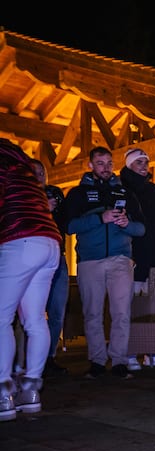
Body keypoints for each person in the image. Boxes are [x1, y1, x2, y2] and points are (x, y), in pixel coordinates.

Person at [66, 146, 145, 380]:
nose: (106, 167)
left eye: (109, 163)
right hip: (90, 261)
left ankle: (119, 361)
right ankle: (98, 362)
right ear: (90, 165)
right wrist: (99, 218)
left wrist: (125, 224)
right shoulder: (78, 194)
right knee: (92, 313)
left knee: (121, 312)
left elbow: (141, 229)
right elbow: (69, 227)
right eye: (100, 163)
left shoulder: (125, 192)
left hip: (120, 259)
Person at [0, 138, 62, 421]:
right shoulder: (23, 165)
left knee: (1, 318)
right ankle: (31, 390)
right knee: (36, 319)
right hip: (49, 242)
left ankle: (3, 393)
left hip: (20, 239)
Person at [120, 147, 155, 370]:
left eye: (146, 162)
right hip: (130, 259)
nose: (144, 166)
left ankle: (154, 352)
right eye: (139, 162)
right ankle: (129, 353)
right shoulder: (121, 190)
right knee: (130, 308)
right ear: (129, 165)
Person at [28, 158, 69, 378]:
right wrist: (42, 207)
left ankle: (49, 357)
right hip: (31, 256)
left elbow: (67, 223)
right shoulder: (20, 196)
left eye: (41, 172)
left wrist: (52, 208)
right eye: (34, 172)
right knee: (31, 312)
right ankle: (27, 360)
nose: (39, 175)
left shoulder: (56, 193)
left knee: (57, 311)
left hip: (57, 256)